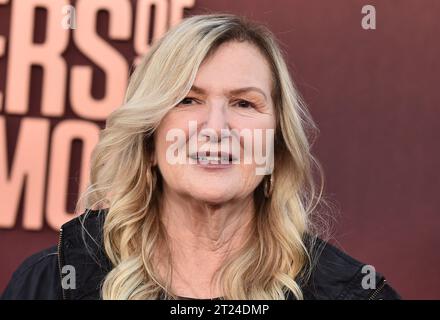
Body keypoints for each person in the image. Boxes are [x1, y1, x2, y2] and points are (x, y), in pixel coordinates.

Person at [2, 13, 400, 300]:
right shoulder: (51, 284)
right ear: (149, 140)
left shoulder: (353, 293)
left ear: (276, 148)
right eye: (188, 100)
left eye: (244, 103)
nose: (215, 127)